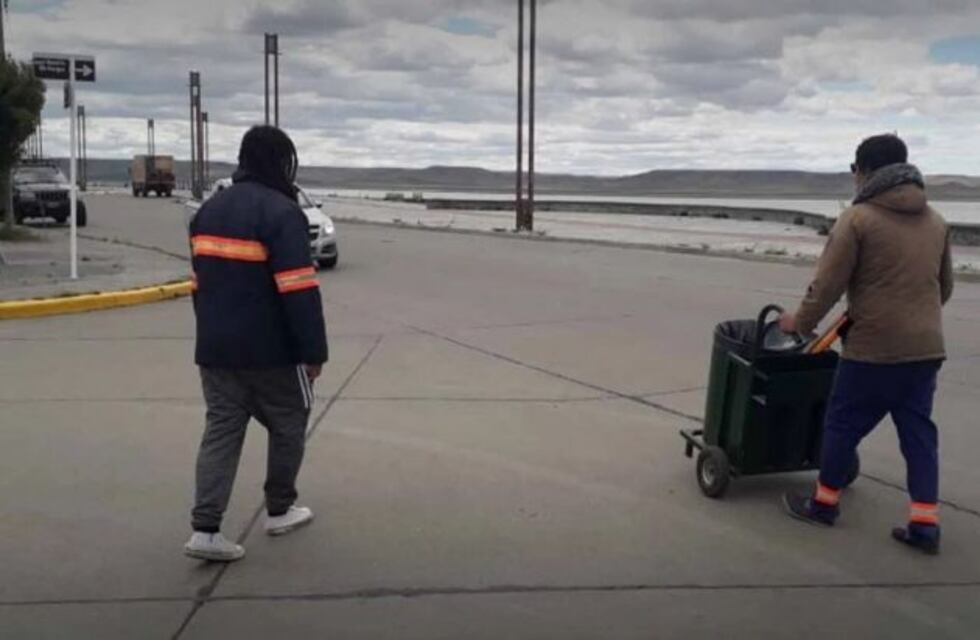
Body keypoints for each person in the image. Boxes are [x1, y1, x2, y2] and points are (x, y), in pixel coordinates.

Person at [779, 133, 954, 555]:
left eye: (854, 170)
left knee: (841, 424)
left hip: (874, 348)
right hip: (925, 349)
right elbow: (944, 288)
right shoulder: (936, 221)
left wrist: (799, 323)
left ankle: (823, 504)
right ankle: (925, 524)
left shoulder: (857, 220)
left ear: (864, 171)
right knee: (918, 434)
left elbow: (827, 285)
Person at [184, 126, 328, 562]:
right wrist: (313, 352)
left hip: (216, 350)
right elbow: (298, 289)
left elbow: (198, 286)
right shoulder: (283, 213)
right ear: (281, 163)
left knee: (221, 432)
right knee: (290, 421)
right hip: (272, 353)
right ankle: (280, 509)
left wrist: (212, 333)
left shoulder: (207, 212)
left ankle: (205, 530)